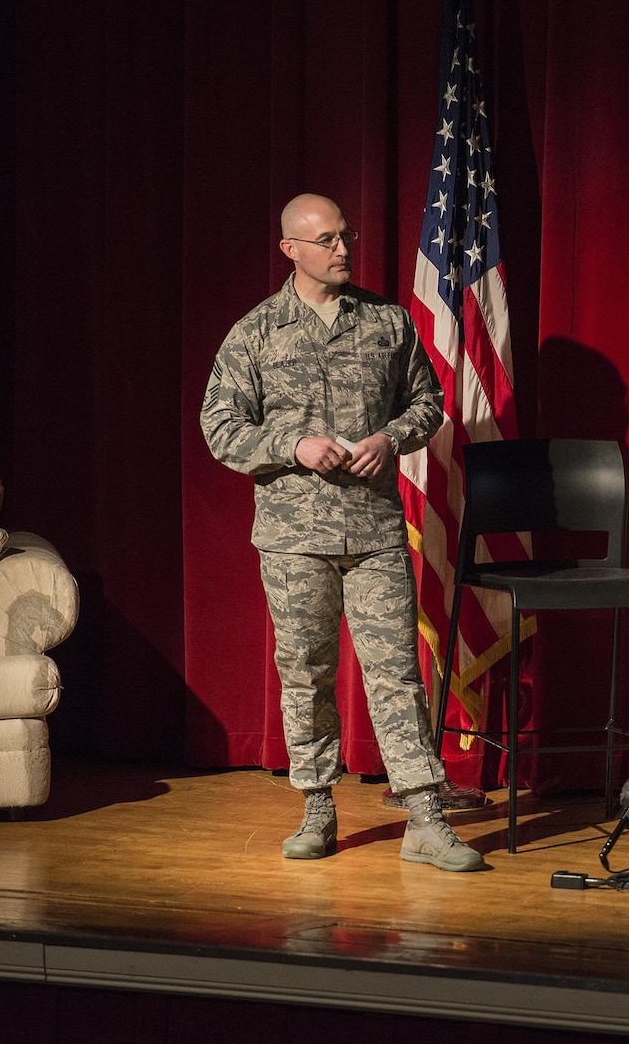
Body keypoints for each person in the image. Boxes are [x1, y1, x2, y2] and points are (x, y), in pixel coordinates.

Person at [201, 193, 483, 872]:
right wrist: (292, 445)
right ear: (290, 250)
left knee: (396, 675)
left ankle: (422, 815)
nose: (342, 250)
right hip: (294, 535)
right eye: (325, 240)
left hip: (374, 531)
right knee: (305, 676)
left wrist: (391, 437)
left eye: (345, 237)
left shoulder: (385, 322)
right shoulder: (257, 331)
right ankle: (317, 808)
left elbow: (427, 402)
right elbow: (219, 425)